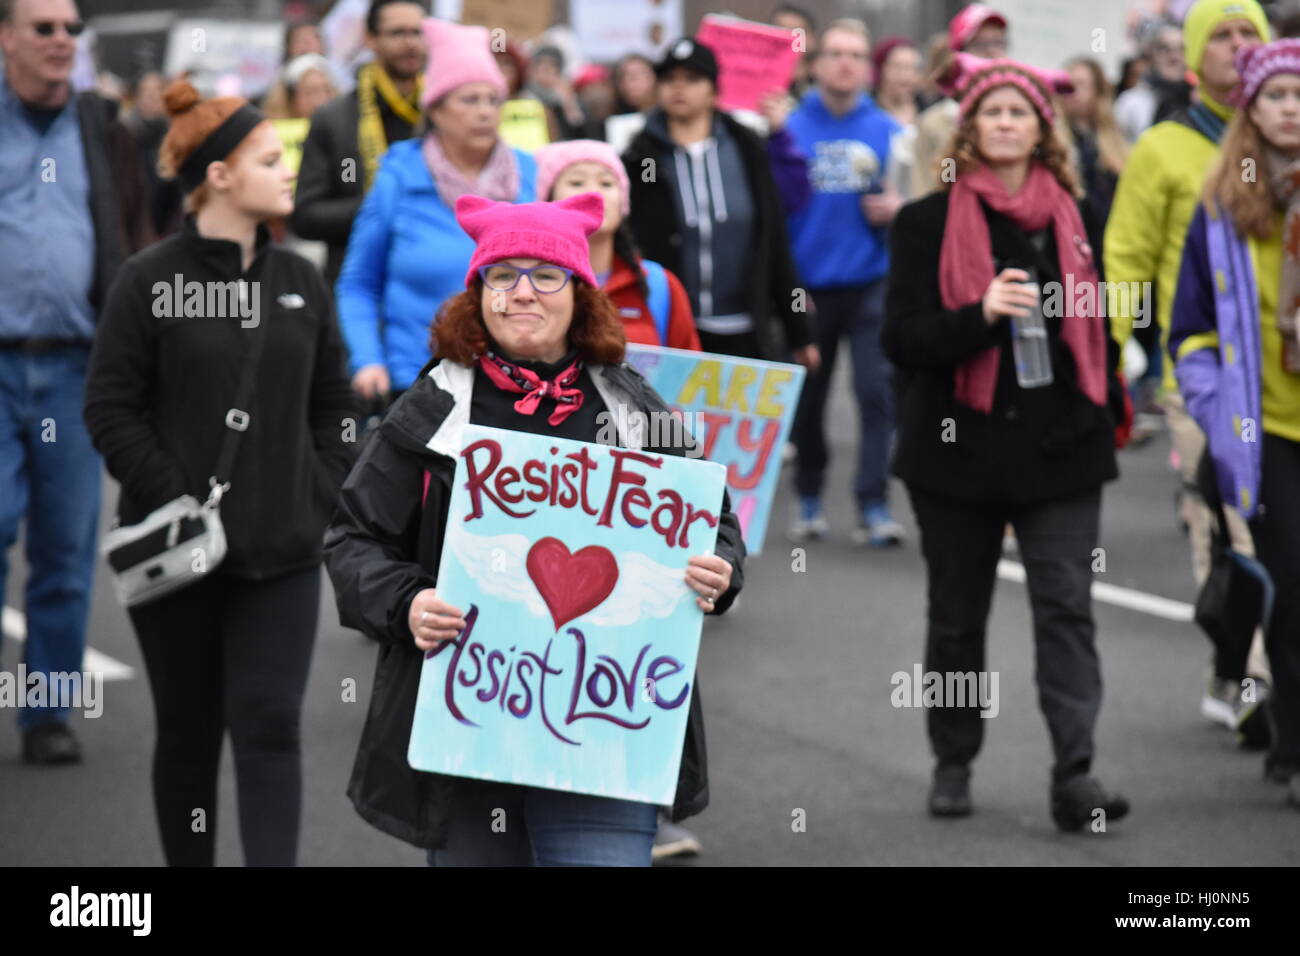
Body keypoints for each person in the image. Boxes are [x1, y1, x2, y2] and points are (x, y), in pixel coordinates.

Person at [323, 192, 746, 865]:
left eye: (546, 275)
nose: (523, 292)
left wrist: (719, 572)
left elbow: (714, 521)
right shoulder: (436, 405)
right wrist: (406, 603)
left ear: (579, 293)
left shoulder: (631, 405)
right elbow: (353, 538)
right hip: (469, 738)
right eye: (503, 274)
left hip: (607, 740)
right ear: (479, 293)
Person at [83, 79, 357, 865]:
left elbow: (333, 399)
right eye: (271, 159)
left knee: (271, 723)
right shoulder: (148, 280)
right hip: (178, 556)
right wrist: (178, 500)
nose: (287, 171)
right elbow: (110, 408)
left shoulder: (301, 280)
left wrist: (322, 486)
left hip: (285, 553)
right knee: (191, 732)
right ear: (218, 175)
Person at [882, 52, 1131, 830]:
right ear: (969, 128)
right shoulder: (929, 220)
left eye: (1019, 112)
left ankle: (1075, 774)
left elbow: (1105, 329)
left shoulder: (1079, 215)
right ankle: (953, 758)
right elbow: (902, 339)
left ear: (1043, 128)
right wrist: (980, 314)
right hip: (957, 451)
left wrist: (1106, 393)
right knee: (957, 616)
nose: (1005, 123)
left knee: (1066, 609)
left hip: (1062, 446)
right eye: (991, 112)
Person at [1105, 0, 1271, 735]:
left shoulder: (1289, 136)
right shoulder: (1167, 146)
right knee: (1230, 530)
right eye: (1222, 36)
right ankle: (1254, 682)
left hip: (1287, 379)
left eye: (1249, 35)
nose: (1236, 47)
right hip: (1201, 378)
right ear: (1195, 55)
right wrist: (1113, 354)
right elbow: (1126, 259)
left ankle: (1248, 671)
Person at [0, 0, 152, 765]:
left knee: (64, 549)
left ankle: (46, 713)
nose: (63, 40)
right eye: (44, 28)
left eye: (71, 29)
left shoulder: (102, 127)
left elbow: (137, 230)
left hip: (73, 368)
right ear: (5, 38)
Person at [1169, 38, 1300, 807]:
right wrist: (1214, 406)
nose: (1292, 108)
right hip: (1266, 433)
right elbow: (1189, 326)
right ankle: (1292, 743)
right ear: (1251, 111)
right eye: (1278, 95)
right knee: (1293, 587)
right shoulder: (1224, 208)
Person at [336, 16, 536, 407]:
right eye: (469, 99)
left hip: (516, 385)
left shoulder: (529, 175)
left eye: (493, 99)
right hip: (415, 382)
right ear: (437, 110)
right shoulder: (399, 176)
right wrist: (368, 360)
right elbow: (358, 284)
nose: (484, 112)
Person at [622, 39, 817, 369]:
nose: (679, 88)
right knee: (674, 422)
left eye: (692, 79)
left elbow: (775, 241)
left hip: (745, 328)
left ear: (714, 89)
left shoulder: (746, 147)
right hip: (673, 331)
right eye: (669, 80)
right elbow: (630, 243)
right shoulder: (641, 156)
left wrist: (801, 332)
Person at [784, 20, 904, 546]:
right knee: (810, 398)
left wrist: (900, 207)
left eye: (856, 53)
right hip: (807, 286)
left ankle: (873, 505)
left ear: (867, 67)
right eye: (834, 53)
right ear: (815, 64)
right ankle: (809, 495)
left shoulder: (889, 130)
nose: (845, 62)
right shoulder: (787, 126)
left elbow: (922, 199)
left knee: (876, 394)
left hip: (870, 282)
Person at [291, 0, 428, 285]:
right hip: (354, 283)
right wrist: (381, 206)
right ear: (370, 39)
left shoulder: (442, 113)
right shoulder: (334, 117)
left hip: (427, 287)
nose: (411, 43)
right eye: (397, 33)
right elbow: (305, 216)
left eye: (418, 32)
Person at [536, 139, 700, 350]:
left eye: (606, 183)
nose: (594, 194)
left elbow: (688, 376)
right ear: (548, 200)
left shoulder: (659, 285)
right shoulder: (526, 287)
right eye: (576, 183)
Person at [911, 3, 1007, 198]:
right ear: (959, 54)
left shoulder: (1021, 116)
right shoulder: (937, 123)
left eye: (998, 43)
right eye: (980, 44)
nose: (992, 52)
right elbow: (934, 191)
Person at [1063, 57, 1127, 223]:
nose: (1072, 91)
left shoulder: (1113, 141)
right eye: (1068, 85)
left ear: (1097, 91)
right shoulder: (1054, 140)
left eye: (1081, 84)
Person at [1114, 22, 1188, 143]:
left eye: (1181, 49)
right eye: (1164, 48)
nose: (1174, 56)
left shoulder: (1199, 100)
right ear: (1152, 54)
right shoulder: (1131, 102)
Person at [872, 36, 922, 199]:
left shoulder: (928, 113)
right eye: (898, 67)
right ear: (881, 70)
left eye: (912, 68)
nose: (905, 76)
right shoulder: (869, 113)